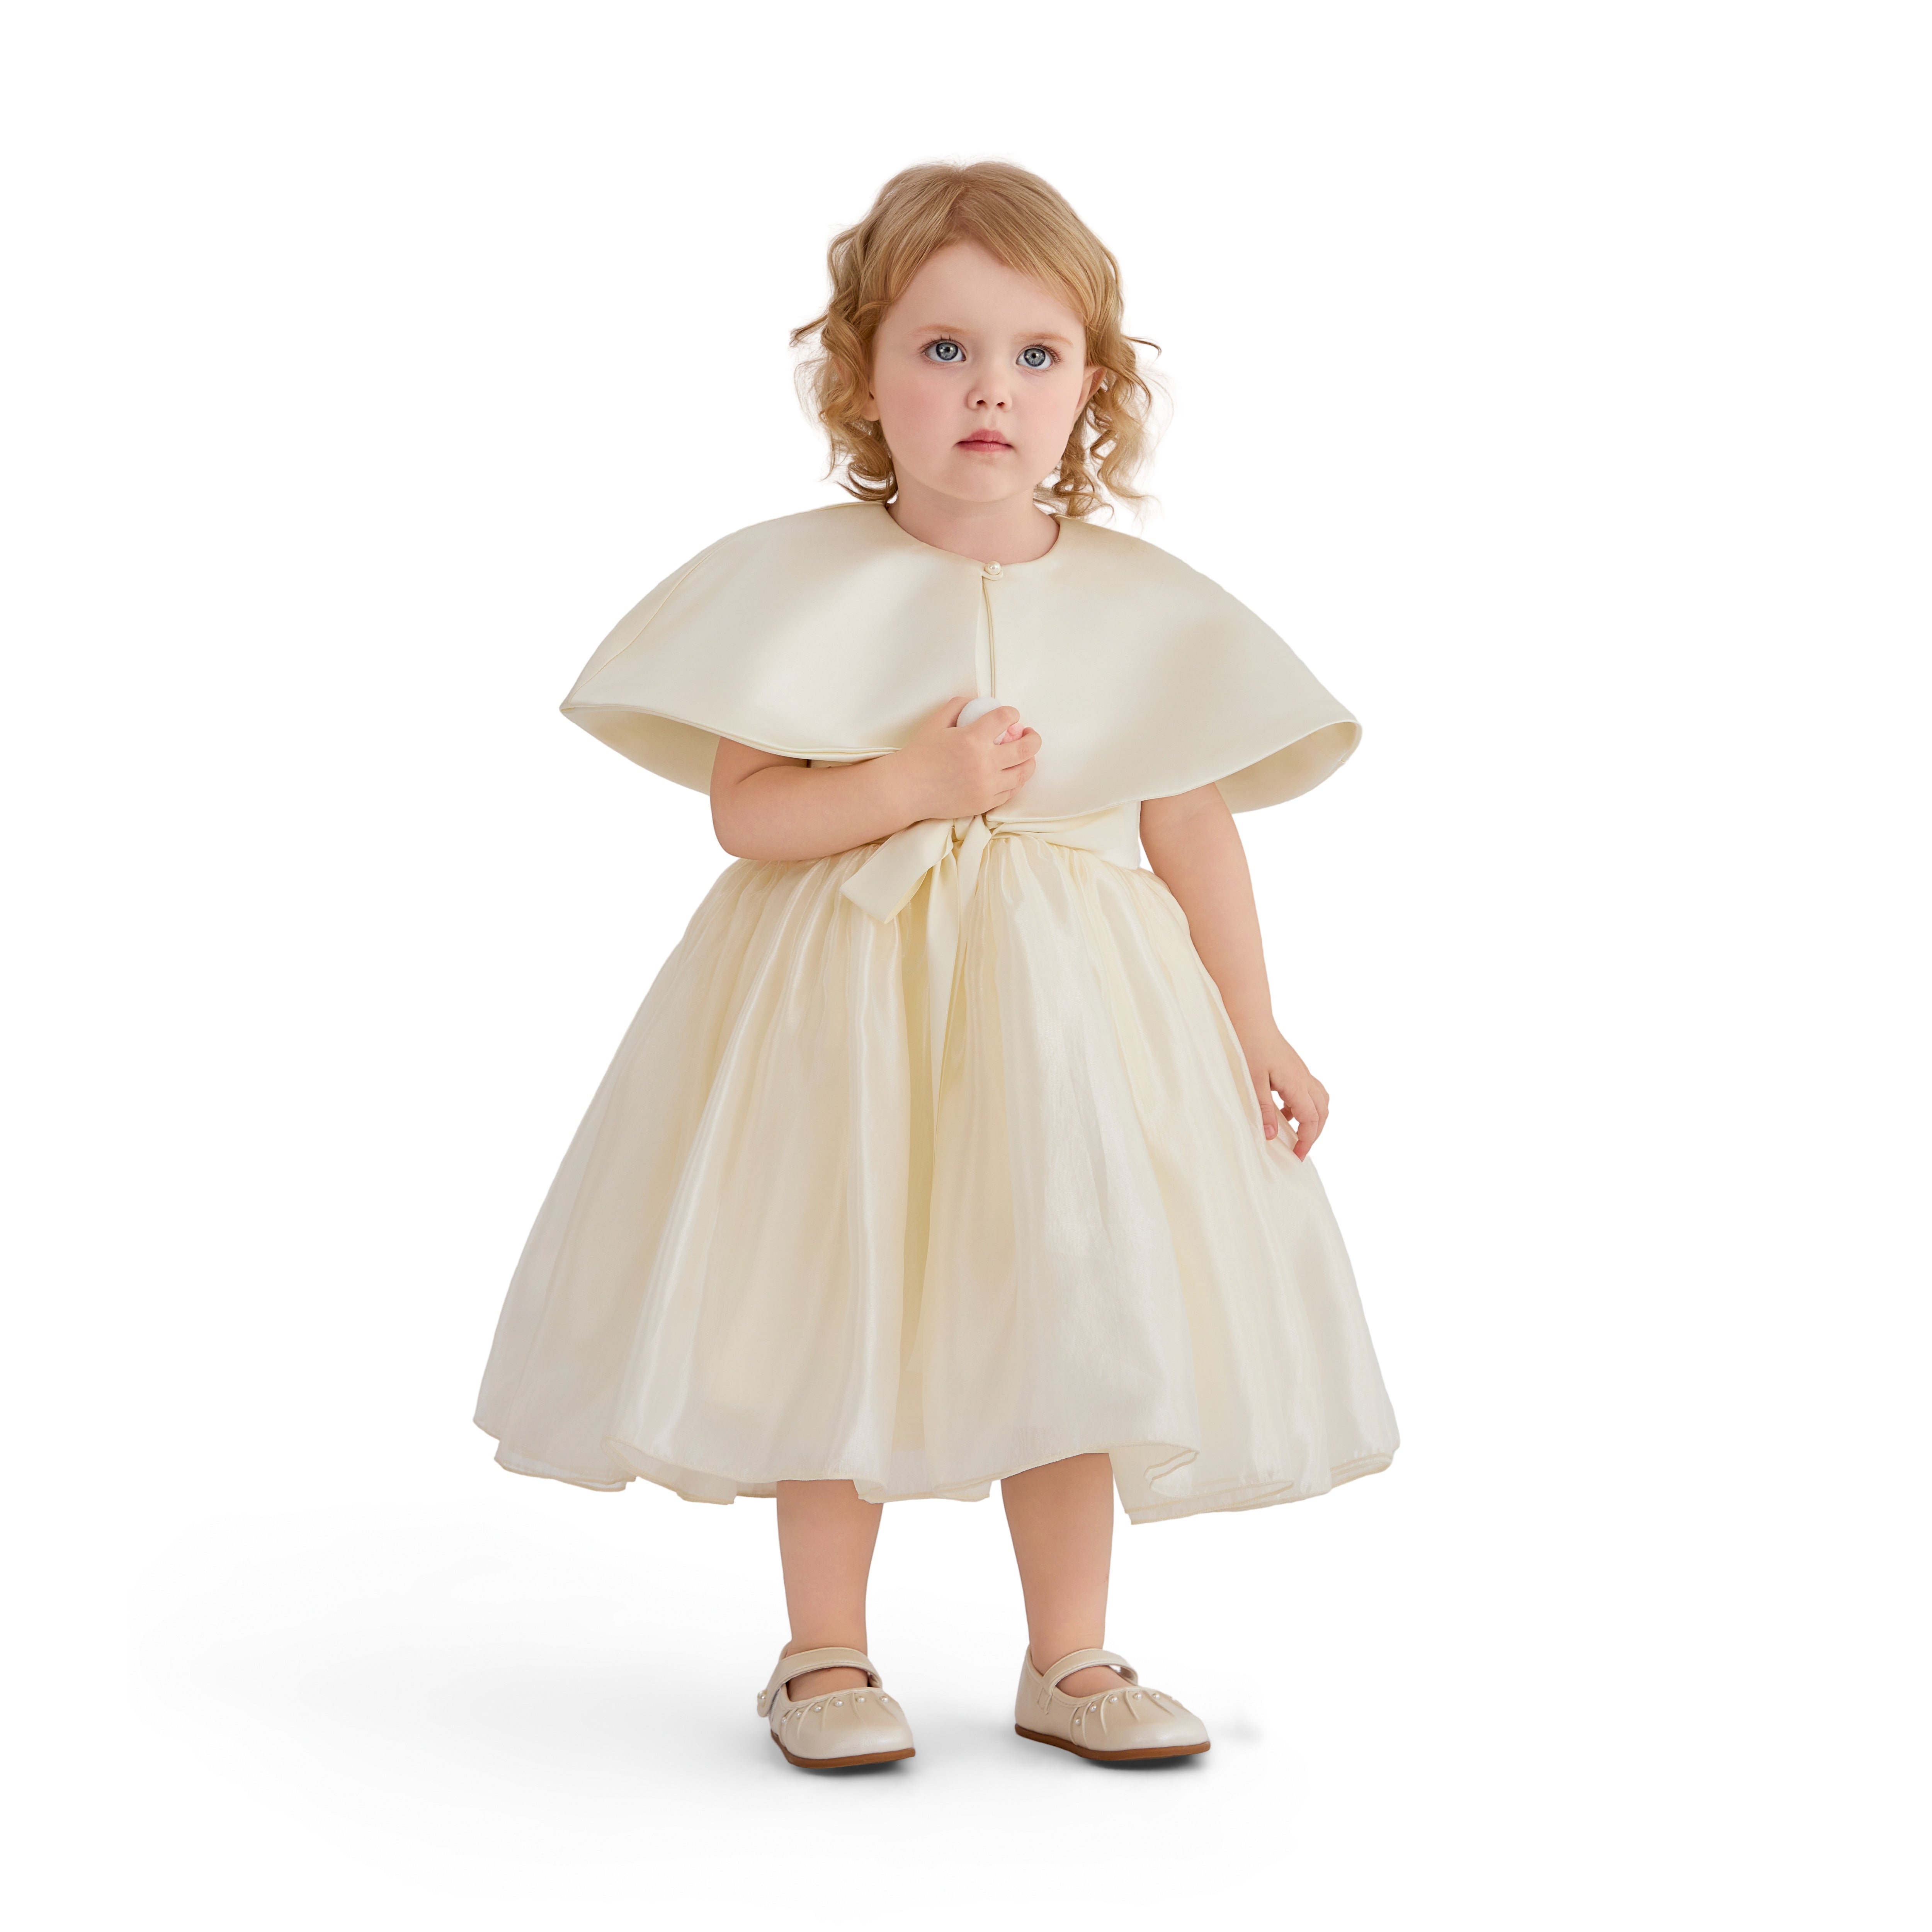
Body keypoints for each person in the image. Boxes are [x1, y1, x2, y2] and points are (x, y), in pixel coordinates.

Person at [474, 160, 1399, 1771]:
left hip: (1071, 1021)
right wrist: (908, 785)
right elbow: (751, 814)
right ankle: (822, 1650)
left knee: (1075, 1301)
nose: (991, 391)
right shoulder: (794, 585)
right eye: (944, 350)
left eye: (1036, 355)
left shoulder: (1144, 608)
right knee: (830, 1292)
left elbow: (1190, 828)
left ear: (1091, 388)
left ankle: (1073, 1653)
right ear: (861, 375)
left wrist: (1255, 1025)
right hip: (843, 1002)